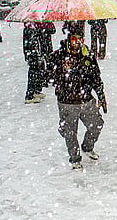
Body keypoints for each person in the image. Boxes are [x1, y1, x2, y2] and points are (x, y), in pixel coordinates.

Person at [48, 32, 107, 169]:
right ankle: (75, 158)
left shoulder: (88, 55)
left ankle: (87, 146)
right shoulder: (58, 56)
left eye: (80, 39)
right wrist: (62, 71)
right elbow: (48, 77)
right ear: (69, 40)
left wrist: (101, 95)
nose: (77, 42)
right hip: (66, 102)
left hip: (86, 100)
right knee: (70, 132)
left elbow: (96, 77)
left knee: (97, 125)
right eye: (74, 39)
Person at [23, 22, 45, 104]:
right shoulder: (29, 29)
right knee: (33, 73)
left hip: (35, 55)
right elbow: (30, 44)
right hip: (33, 56)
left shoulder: (33, 27)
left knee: (38, 72)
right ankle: (30, 95)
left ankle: (36, 91)